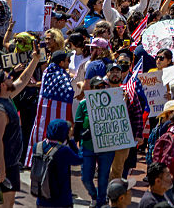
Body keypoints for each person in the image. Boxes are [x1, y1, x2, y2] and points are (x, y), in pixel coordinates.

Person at [0, 53, 40, 208]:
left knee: (1, 203)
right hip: (3, 164)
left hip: (10, 162)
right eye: (8, 77)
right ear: (2, 85)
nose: (11, 78)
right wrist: (2, 168)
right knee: (5, 204)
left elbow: (23, 80)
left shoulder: (6, 96)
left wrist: (35, 60)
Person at [74, 77, 114, 207]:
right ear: (91, 89)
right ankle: (94, 195)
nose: (100, 90)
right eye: (97, 87)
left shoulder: (112, 102)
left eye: (103, 87)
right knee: (86, 178)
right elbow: (77, 126)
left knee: (103, 178)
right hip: (88, 147)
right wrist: (82, 135)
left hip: (106, 147)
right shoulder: (83, 104)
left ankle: (100, 202)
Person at [31, 119, 81, 208]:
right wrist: (71, 141)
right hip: (61, 200)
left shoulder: (37, 146)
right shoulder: (64, 151)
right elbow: (79, 159)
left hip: (42, 197)